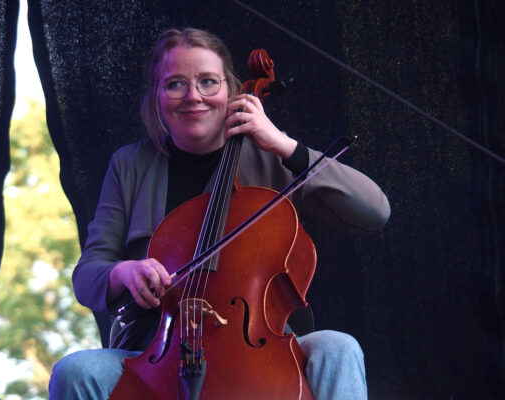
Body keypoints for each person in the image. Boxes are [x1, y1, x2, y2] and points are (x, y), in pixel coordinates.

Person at [49, 27, 390, 399]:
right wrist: (123, 272)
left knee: (337, 347)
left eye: (208, 82)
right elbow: (88, 275)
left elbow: (374, 210)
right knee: (76, 370)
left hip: (262, 345)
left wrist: (285, 145)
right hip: (158, 350)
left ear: (230, 88)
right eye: (176, 84)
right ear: (157, 97)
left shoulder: (272, 157)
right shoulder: (129, 165)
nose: (193, 96)